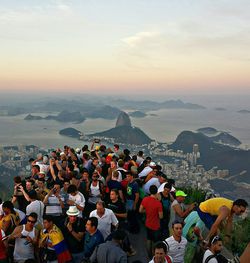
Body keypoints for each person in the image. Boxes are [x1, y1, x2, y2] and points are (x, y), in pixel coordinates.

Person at [139, 185, 163, 257]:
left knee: (149, 239)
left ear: (150, 191)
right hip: (156, 225)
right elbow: (161, 216)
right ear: (157, 192)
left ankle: (149, 254)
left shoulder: (145, 199)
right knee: (155, 242)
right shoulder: (158, 203)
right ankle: (154, 255)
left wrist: (147, 211)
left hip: (147, 223)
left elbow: (140, 210)